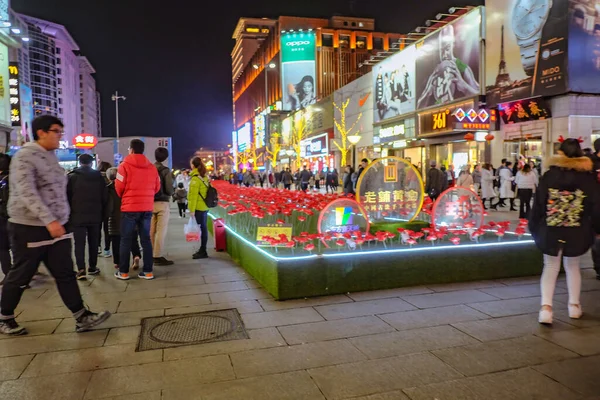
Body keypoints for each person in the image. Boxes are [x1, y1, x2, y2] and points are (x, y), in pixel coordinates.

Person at [0, 115, 110, 335]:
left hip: (56, 227)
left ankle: (81, 316)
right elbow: (26, 192)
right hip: (29, 227)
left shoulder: (50, 156)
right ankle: (4, 317)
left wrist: (62, 219)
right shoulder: (24, 157)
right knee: (21, 274)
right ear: (42, 132)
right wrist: (49, 219)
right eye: (57, 131)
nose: (60, 135)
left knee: (65, 272)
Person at [529, 138, 600, 325]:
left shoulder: (549, 175)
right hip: (577, 229)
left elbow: (538, 205)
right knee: (573, 266)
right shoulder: (587, 177)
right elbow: (595, 206)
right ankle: (574, 306)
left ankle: (546, 309)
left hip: (551, 228)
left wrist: (534, 226)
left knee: (550, 266)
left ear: (560, 153)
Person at [114, 139, 161, 280]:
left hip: (129, 208)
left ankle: (123, 272)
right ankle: (147, 271)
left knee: (126, 239)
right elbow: (157, 187)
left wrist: (126, 196)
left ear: (131, 149)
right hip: (146, 207)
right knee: (146, 239)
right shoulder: (152, 168)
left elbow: (118, 187)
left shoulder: (123, 166)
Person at [416, 24, 479, 109]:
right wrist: (427, 92)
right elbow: (418, 108)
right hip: (440, 116)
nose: (444, 53)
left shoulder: (461, 67)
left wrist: (464, 87)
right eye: (442, 49)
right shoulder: (436, 71)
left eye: (447, 48)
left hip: (462, 116)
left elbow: (480, 97)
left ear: (453, 44)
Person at [67, 153, 108, 280]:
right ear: (91, 163)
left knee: (79, 243)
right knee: (94, 242)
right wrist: (104, 214)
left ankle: (81, 269)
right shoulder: (99, 177)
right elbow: (105, 197)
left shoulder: (71, 177)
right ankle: (93, 266)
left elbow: (67, 197)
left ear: (80, 162)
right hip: (95, 215)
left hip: (77, 216)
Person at [106, 168, 142, 270]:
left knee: (116, 241)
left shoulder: (108, 189)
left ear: (109, 177)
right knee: (132, 239)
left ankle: (118, 262)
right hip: (130, 215)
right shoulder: (127, 187)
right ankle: (136, 255)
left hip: (115, 219)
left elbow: (109, 206)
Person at [151, 147, 174, 267]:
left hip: (149, 202)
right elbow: (169, 189)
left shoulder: (149, 169)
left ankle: (149, 253)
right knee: (161, 230)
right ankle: (157, 255)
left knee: (151, 230)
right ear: (165, 157)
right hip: (162, 203)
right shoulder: (165, 170)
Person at [188, 157, 210, 260]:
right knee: (203, 228)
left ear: (193, 165)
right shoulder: (204, 177)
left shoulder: (195, 179)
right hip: (204, 207)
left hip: (199, 208)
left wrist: (191, 210)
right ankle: (202, 249)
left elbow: (193, 196)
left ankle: (203, 251)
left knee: (203, 229)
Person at [97, 161, 113, 258]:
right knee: (108, 230)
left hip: (97, 208)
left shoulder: (95, 178)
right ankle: (107, 249)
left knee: (97, 229)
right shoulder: (110, 178)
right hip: (108, 208)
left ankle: (98, 247)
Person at [0, 153, 11, 284]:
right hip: (16, 218)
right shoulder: (15, 178)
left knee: (2, 248)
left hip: (2, 218)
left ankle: (9, 275)